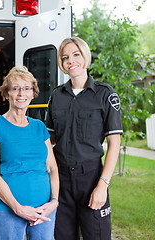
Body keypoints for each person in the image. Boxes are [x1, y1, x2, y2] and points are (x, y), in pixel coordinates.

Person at [45, 37, 123, 240]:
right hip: (61, 181)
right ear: (61, 63)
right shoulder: (56, 96)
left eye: (76, 54)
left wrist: (102, 185)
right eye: (65, 57)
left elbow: (114, 145)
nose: (71, 61)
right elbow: (49, 139)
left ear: (85, 56)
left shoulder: (105, 95)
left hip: (91, 179)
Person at [0, 66, 59, 240]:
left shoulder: (39, 127)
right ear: (6, 93)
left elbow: (52, 169)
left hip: (44, 209)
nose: (21, 93)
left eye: (27, 88)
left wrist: (54, 201)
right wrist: (18, 208)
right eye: (15, 88)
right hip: (8, 209)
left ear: (33, 93)